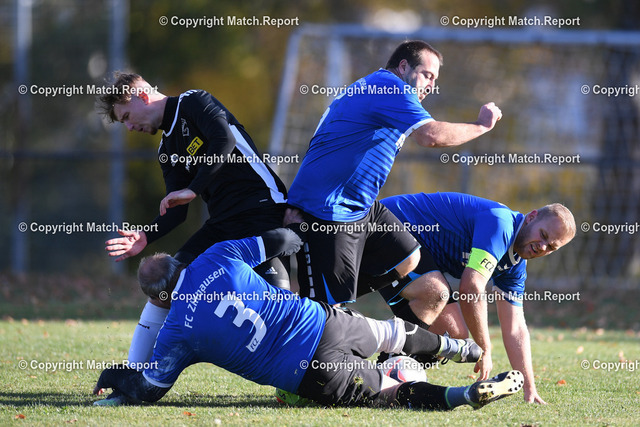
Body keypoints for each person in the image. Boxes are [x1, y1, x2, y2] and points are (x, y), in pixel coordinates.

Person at [92, 228, 524, 410]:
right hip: (320, 322)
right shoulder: (216, 255)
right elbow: (282, 239)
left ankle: (462, 395)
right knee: (390, 332)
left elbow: (150, 390)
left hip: (309, 372)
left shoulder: (175, 331)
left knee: (393, 391)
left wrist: (115, 375)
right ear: (178, 263)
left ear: (160, 298)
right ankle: (463, 349)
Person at [96, 73, 290, 379]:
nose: (130, 127)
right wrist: (146, 236)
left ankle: (310, 366)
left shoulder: (193, 101)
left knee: (280, 301)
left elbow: (223, 140)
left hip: (262, 208)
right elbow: (177, 211)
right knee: (165, 286)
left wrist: (193, 188)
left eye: (127, 117)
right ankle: (133, 375)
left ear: (142, 96)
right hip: (223, 223)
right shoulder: (166, 150)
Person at [285, 40, 502, 311]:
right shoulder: (389, 86)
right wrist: (481, 126)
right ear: (403, 67)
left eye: (435, 79)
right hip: (328, 208)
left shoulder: (381, 87)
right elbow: (430, 135)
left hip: (358, 207)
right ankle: (321, 308)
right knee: (326, 315)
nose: (431, 85)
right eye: (427, 75)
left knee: (407, 258)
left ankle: (339, 304)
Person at [377, 192, 577, 404]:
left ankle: (389, 375)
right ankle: (381, 368)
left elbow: (515, 327)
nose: (543, 246)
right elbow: (471, 287)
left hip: (409, 244)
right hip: (385, 224)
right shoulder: (501, 224)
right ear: (531, 217)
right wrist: (485, 349)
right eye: (543, 235)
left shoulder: (516, 265)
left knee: (454, 333)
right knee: (436, 293)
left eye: (551, 247)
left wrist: (529, 388)